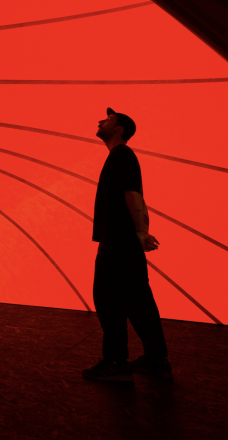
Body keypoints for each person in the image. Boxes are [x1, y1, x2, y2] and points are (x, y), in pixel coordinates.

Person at [82, 108, 172, 383]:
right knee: (138, 300)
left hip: (118, 242)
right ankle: (156, 360)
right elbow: (137, 197)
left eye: (108, 120)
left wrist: (141, 231)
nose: (100, 121)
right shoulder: (119, 158)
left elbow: (133, 194)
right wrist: (140, 232)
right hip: (124, 241)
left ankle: (116, 363)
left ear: (119, 129)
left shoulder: (121, 156)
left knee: (108, 300)